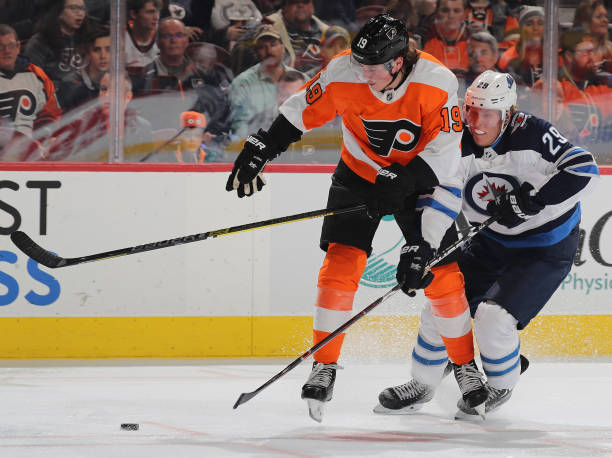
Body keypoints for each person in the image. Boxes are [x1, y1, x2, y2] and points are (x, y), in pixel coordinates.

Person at [225, 13, 489, 421]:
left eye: (373, 68)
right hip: (359, 172)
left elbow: (444, 154)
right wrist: (261, 146)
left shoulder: (437, 83)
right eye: (360, 65)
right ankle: (324, 364)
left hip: (420, 177)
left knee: (441, 273)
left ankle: (465, 367)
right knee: (340, 266)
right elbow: (300, 112)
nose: (363, 74)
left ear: (398, 62)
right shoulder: (344, 70)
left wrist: (400, 186)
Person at [376, 70, 599, 419]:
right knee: (443, 305)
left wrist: (533, 201)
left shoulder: (534, 133)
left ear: (507, 114)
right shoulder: (453, 142)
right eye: (472, 111)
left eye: (489, 113)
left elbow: (585, 170)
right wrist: (423, 244)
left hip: (545, 247)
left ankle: (499, 385)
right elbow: (442, 196)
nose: (478, 122)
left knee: (493, 319)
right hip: (490, 241)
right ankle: (422, 383)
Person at [228, 25, 303, 139]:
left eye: (273, 45)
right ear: (256, 52)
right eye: (262, 47)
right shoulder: (242, 83)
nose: (269, 51)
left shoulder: (302, 80)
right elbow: (239, 125)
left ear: (283, 47)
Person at [0, 24, 62, 137]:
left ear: (18, 47)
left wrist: (45, 138)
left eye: (11, 45)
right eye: (1, 47)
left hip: (31, 147)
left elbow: (51, 113)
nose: (7, 51)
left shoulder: (36, 74)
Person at [266, 0, 346, 77]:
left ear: (312, 5)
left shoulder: (326, 30)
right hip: (289, 83)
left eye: (305, 1)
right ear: (284, 6)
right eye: (294, 2)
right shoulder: (269, 27)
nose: (300, 5)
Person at [23, 0, 91, 88]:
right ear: (59, 12)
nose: (80, 13)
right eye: (73, 8)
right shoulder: (39, 42)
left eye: (82, 8)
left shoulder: (89, 36)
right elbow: (34, 80)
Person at [58, 25, 110, 111]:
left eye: (108, 49)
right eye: (96, 50)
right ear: (87, 53)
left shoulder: (121, 81)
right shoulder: (70, 84)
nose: (103, 56)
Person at [422, 0, 471, 73]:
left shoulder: (473, 39)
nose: (451, 16)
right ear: (436, 12)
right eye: (445, 10)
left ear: (465, 14)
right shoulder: (423, 37)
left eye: (456, 11)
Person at [573, 0, 612, 74]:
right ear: (585, 20)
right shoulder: (572, 50)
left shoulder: (609, 50)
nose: (605, 20)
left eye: (605, 16)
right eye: (599, 17)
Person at [125, 0, 162, 70]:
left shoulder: (164, 34)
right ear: (133, 14)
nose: (156, 17)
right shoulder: (119, 38)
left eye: (158, 11)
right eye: (150, 12)